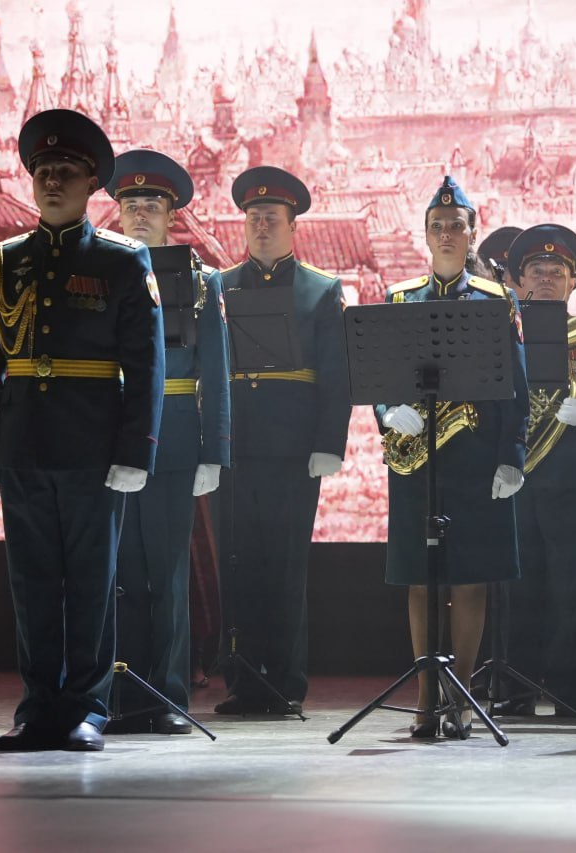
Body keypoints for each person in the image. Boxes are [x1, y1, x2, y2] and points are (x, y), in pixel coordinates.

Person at [0, 109, 165, 752]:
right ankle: (37, 708)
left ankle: (87, 707)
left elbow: (146, 365)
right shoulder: (3, 262)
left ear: (91, 184)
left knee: (90, 582)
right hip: (22, 443)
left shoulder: (122, 261)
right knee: (31, 584)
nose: (52, 182)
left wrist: (136, 450)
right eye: (43, 172)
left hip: (93, 447)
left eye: (67, 173)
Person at [376, 176, 529, 739]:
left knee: (470, 581)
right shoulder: (400, 299)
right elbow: (381, 376)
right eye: (437, 226)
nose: (446, 234)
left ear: (472, 234)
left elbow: (517, 387)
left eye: (455, 226)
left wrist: (512, 456)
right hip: (417, 457)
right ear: (425, 234)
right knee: (420, 580)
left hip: (476, 457)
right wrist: (389, 410)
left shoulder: (497, 300)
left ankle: (460, 698)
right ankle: (424, 698)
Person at [210, 166, 350, 715]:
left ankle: (286, 684)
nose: (261, 226)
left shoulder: (321, 289)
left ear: (294, 227)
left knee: (286, 567)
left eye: (272, 218)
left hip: (293, 449)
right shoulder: (219, 286)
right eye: (253, 218)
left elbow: (336, 374)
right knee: (237, 565)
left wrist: (329, 443)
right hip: (234, 446)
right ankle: (242, 681)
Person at [105, 148, 231, 734]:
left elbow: (217, 373)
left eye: (151, 205)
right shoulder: (101, 274)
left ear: (171, 214)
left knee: (169, 574)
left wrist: (215, 451)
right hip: (112, 438)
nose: (139, 214)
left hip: (177, 438)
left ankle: (170, 697)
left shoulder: (201, 282)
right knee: (121, 574)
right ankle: (124, 695)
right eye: (130, 204)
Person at [491, 224, 576, 718]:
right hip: (513, 478)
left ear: (572, 282)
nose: (546, 278)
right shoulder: (501, 335)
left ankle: (570, 693)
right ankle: (515, 690)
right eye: (536, 270)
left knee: (571, 589)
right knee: (516, 589)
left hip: (570, 480)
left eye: (556, 271)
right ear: (518, 280)